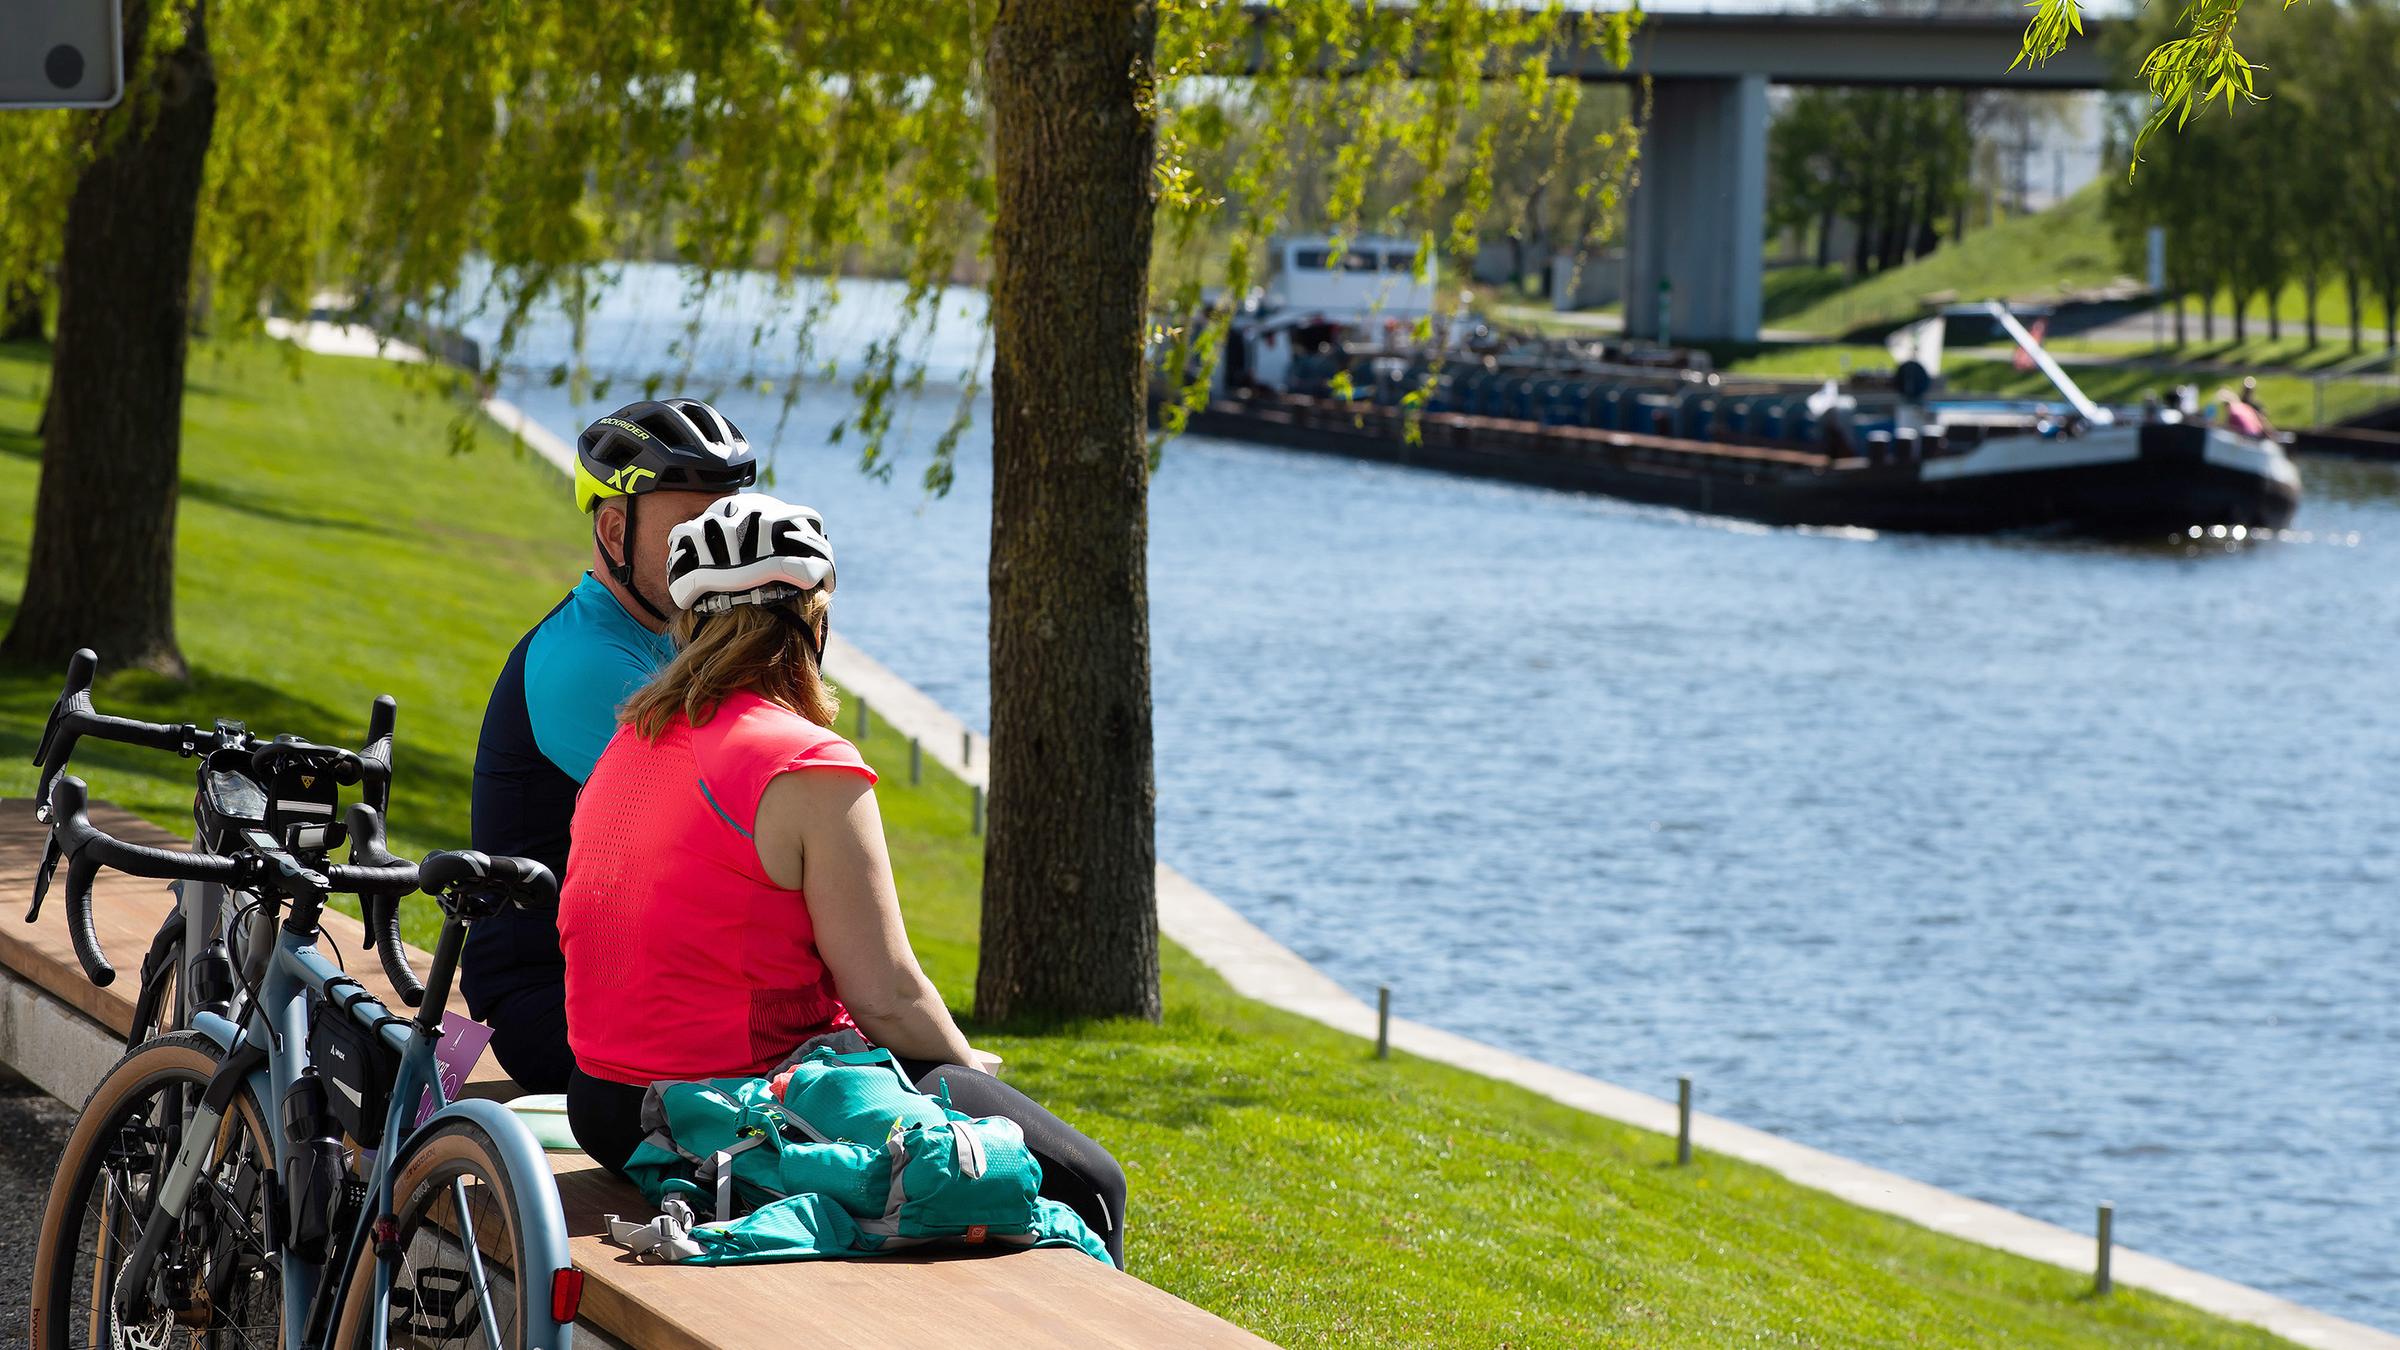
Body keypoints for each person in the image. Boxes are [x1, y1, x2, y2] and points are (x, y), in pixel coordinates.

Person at [556, 493, 1129, 1268]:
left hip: (608, 1104)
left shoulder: (629, 742)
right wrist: (964, 1063)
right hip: (741, 1105)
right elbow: (886, 994)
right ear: (812, 625)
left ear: (689, 625)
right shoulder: (806, 765)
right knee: (1091, 1184)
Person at [464, 398, 758, 1093]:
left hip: (636, 985)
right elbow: (737, 836)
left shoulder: (665, 635)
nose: (714, 553)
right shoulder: (589, 663)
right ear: (614, 528)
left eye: (726, 527)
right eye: (691, 531)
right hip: (555, 1003)